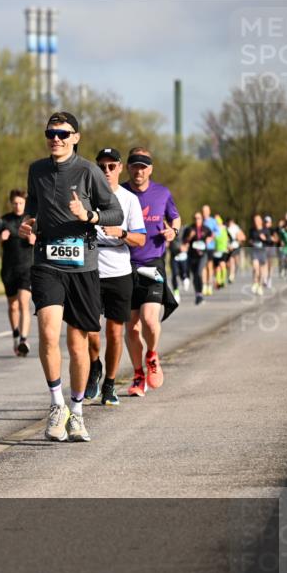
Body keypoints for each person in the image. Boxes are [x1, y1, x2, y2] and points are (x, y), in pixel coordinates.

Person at [18, 112, 123, 442]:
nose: (56, 138)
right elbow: (33, 208)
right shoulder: (36, 170)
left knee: (78, 345)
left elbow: (115, 212)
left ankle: (77, 413)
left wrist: (89, 215)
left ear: (75, 137)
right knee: (48, 333)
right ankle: (56, 404)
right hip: (47, 264)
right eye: (51, 132)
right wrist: (28, 223)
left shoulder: (89, 171)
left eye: (63, 133)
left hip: (83, 268)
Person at [83, 149, 146, 406]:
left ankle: (109, 383)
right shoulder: (87, 196)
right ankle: (94, 366)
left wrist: (120, 233)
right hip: (89, 269)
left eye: (111, 166)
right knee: (89, 329)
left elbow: (140, 239)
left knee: (115, 331)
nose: (106, 171)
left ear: (120, 168)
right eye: (101, 166)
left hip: (119, 271)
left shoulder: (129, 199)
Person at [122, 147, 181, 397]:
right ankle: (138, 375)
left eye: (144, 166)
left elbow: (176, 218)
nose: (139, 170)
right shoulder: (120, 193)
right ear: (128, 168)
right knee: (132, 328)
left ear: (151, 169)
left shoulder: (162, 193)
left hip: (153, 264)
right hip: (124, 265)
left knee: (149, 319)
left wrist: (173, 232)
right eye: (135, 165)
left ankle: (152, 355)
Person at [0, 189, 35, 356]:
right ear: (11, 203)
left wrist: (34, 239)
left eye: (21, 203)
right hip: (8, 269)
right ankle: (15, 335)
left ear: (25, 203)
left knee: (23, 303)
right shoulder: (3, 221)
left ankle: (24, 340)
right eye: (15, 203)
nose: (18, 206)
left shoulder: (31, 220)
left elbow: (43, 237)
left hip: (26, 268)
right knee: (13, 306)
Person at [180, 212, 213, 305]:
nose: (196, 220)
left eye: (198, 218)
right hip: (192, 255)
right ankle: (198, 294)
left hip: (203, 255)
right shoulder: (190, 228)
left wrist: (209, 239)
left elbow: (211, 235)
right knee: (195, 276)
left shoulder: (205, 229)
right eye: (195, 218)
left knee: (199, 273)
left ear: (202, 219)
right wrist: (189, 237)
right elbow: (184, 240)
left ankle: (201, 293)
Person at [249, 213, 271, 295]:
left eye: (258, 220)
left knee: (261, 271)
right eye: (255, 220)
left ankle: (260, 286)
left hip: (263, 252)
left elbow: (269, 241)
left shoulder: (266, 230)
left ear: (261, 221)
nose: (256, 222)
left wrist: (264, 239)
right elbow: (250, 240)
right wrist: (251, 242)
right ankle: (255, 282)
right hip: (255, 251)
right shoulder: (252, 230)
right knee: (255, 268)